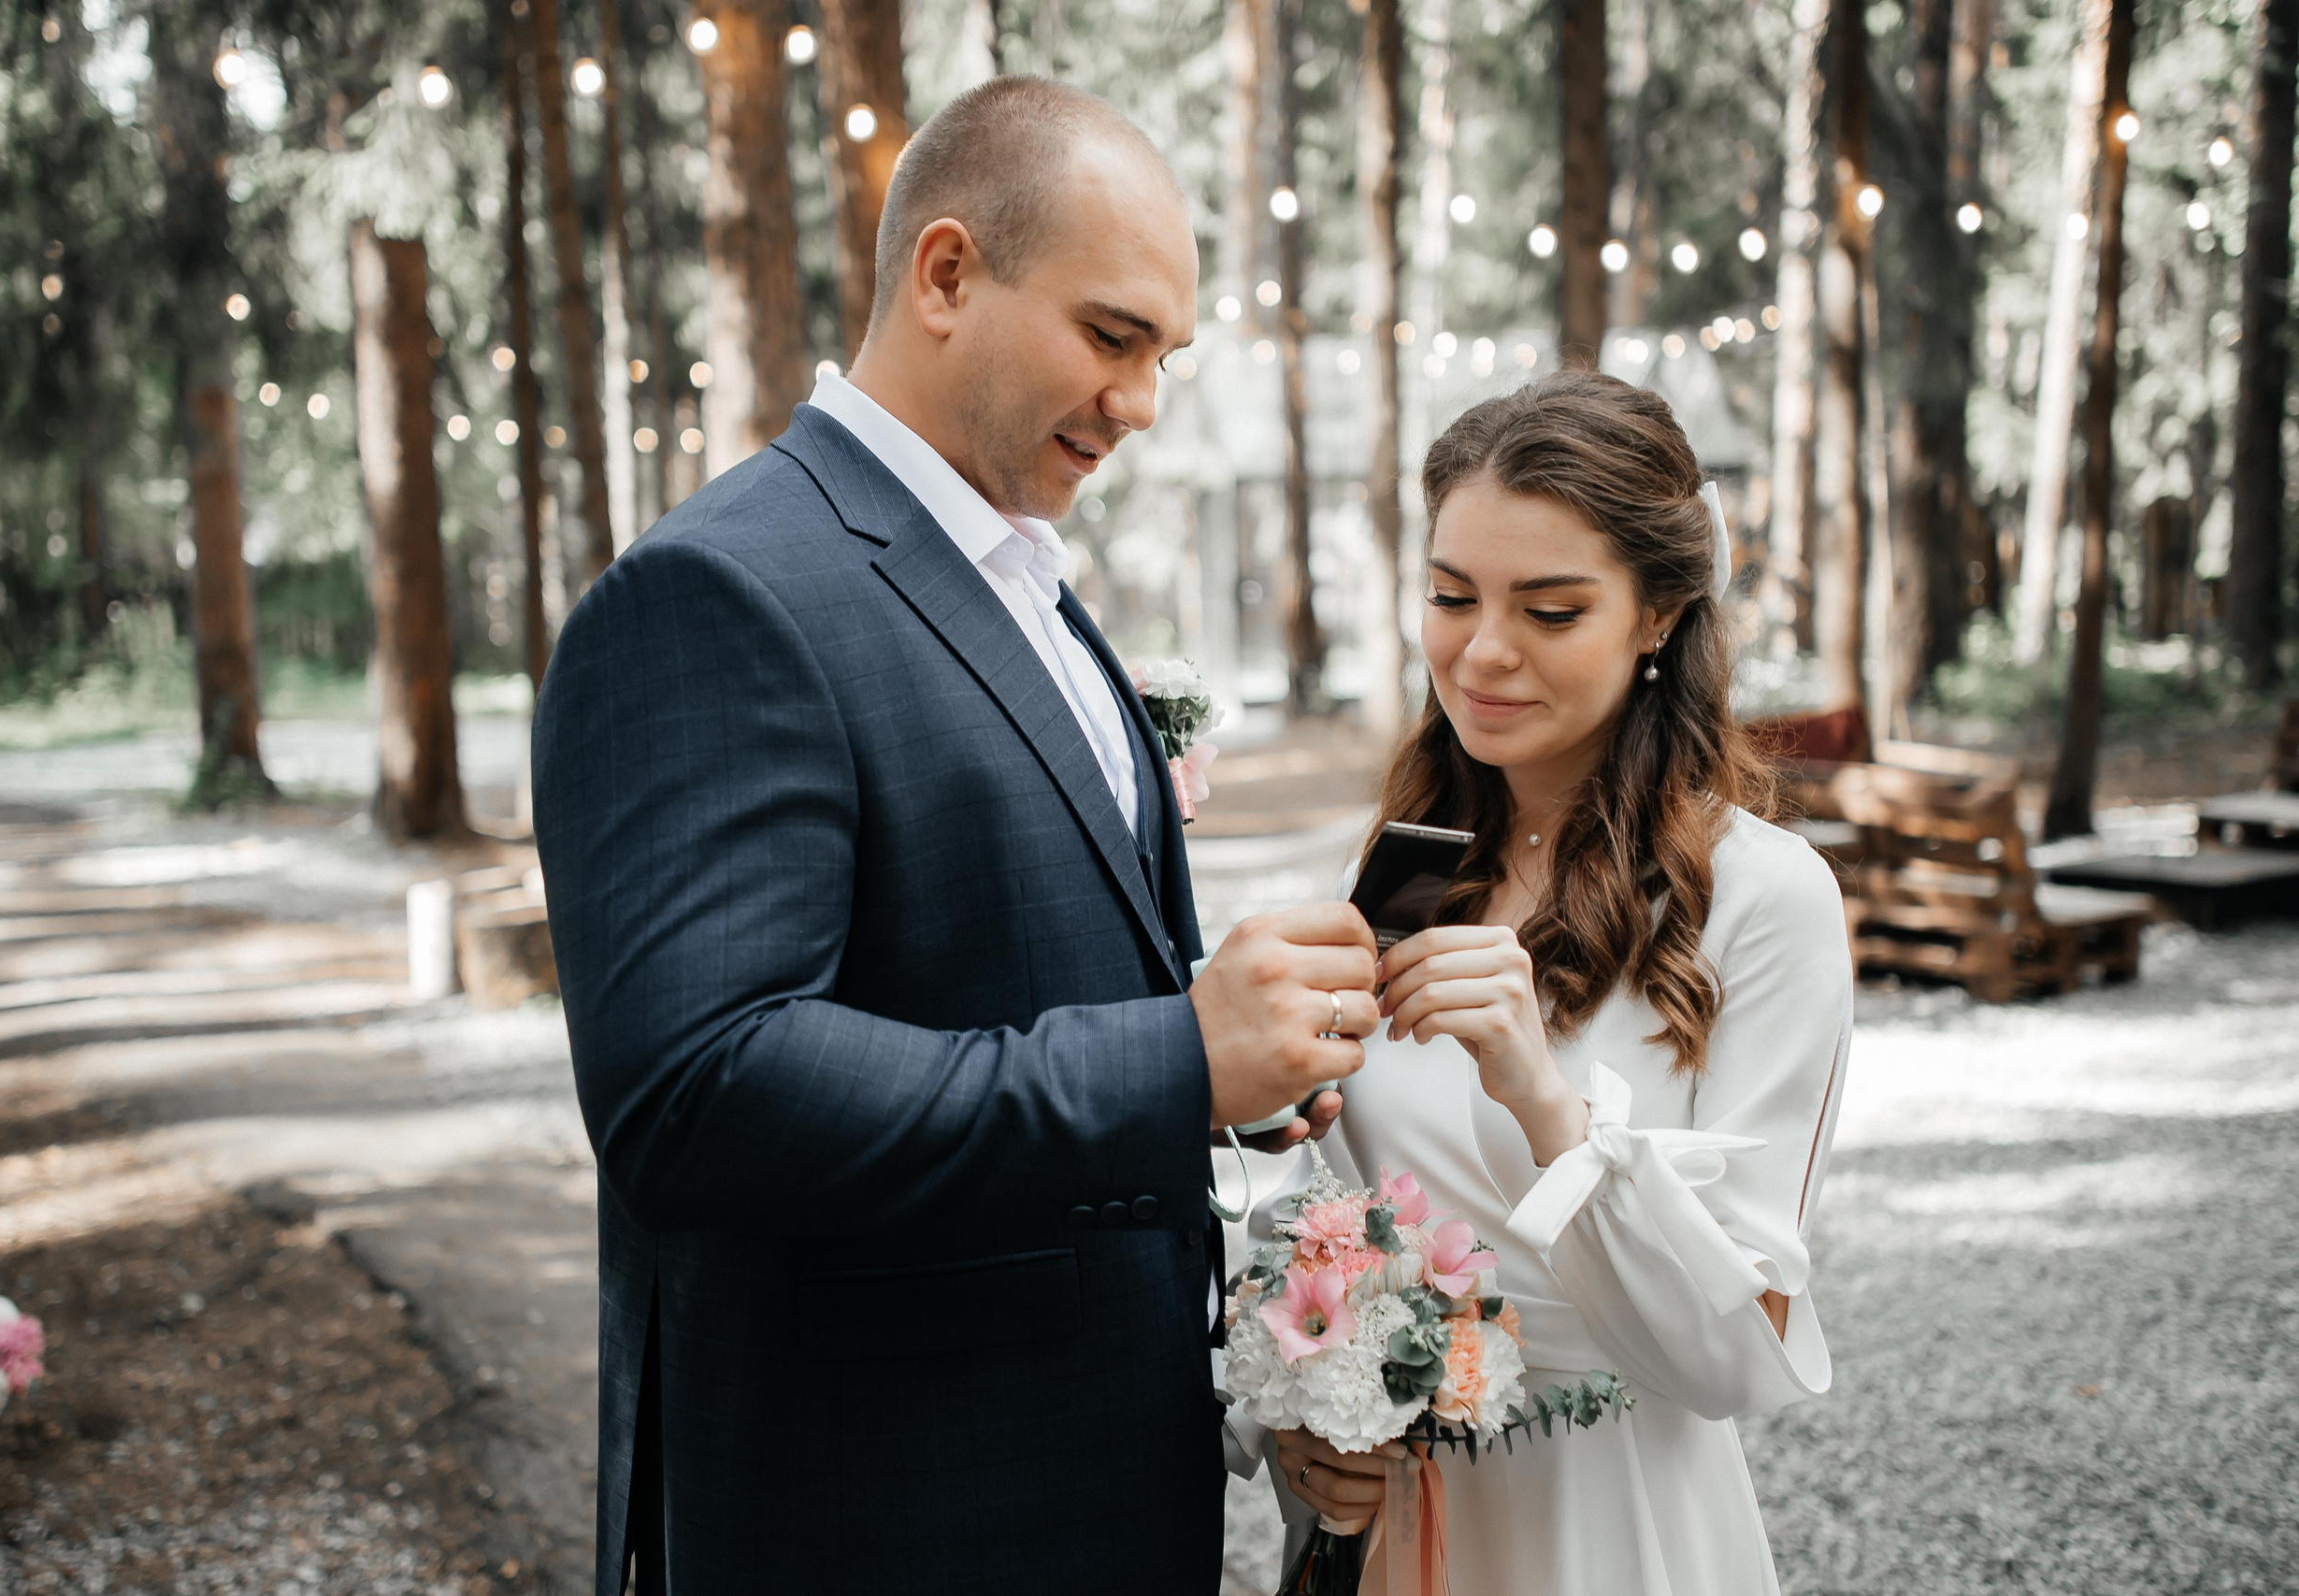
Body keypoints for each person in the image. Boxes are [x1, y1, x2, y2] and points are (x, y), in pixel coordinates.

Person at [530, 78, 1379, 1596]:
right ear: (942, 274)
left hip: (1091, 1488)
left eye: (1163, 358)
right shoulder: (722, 594)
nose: (1142, 403)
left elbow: (998, 967)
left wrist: (1239, 1077)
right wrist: (1177, 1058)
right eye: (1112, 338)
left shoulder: (1021, 572)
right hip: (885, 1512)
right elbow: (699, 1090)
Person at [1239, 370, 1853, 1594]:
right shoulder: (1396, 866)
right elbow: (1310, 1204)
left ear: (1661, 614)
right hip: (1399, 1528)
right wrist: (1305, 1419)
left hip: (1615, 1521)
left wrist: (1544, 1100)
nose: (1484, 652)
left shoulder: (1765, 901)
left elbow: (1738, 1360)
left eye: (1552, 610)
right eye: (1450, 597)